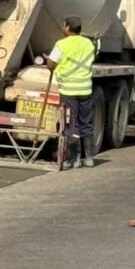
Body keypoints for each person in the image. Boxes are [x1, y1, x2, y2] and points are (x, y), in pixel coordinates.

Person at [46, 16, 96, 169]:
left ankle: (73, 159)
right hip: (85, 89)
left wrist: (51, 65)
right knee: (86, 122)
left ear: (67, 27)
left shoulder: (62, 44)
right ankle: (88, 158)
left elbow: (51, 63)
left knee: (70, 124)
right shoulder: (89, 44)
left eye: (63, 26)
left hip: (68, 90)